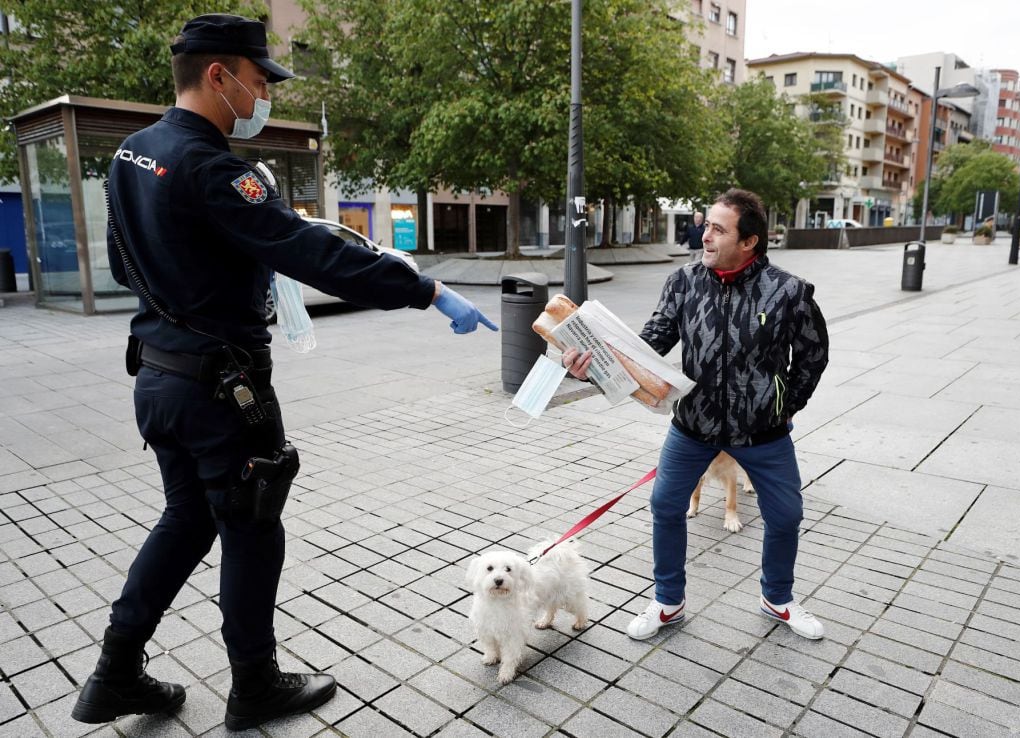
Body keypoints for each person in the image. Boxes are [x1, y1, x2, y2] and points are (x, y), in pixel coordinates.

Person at [70, 14, 496, 731]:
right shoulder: (214, 168)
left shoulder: (131, 154)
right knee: (251, 525)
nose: (263, 92)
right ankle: (255, 685)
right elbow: (310, 251)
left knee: (185, 520)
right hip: (219, 390)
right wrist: (424, 289)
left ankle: (115, 672)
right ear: (219, 75)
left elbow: (122, 264)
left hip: (158, 376)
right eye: (260, 78)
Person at [564, 189, 829, 642]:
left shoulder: (788, 291)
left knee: (785, 516)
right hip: (692, 428)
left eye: (717, 229)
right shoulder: (683, 282)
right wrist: (591, 368)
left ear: (749, 242)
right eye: (705, 225)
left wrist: (782, 406)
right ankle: (668, 602)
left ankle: (777, 598)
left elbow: (812, 357)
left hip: (764, 435)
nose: (703, 235)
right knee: (665, 506)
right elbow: (649, 348)